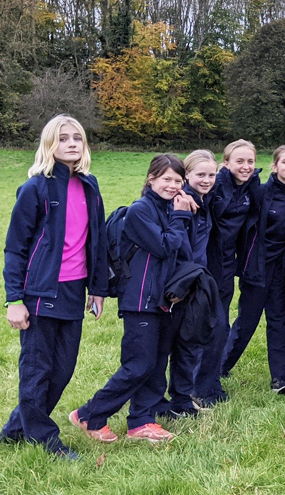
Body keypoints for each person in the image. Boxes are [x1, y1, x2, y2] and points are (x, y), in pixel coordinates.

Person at [2, 116, 107, 460]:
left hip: (74, 293)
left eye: (77, 137)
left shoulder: (90, 185)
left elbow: (97, 241)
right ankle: (46, 439)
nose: (72, 143)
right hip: (40, 293)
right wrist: (14, 299)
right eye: (63, 138)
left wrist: (98, 289)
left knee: (62, 370)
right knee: (37, 371)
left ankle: (15, 431)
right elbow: (15, 248)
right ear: (50, 144)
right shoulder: (35, 188)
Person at [71, 155, 192, 444]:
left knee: (156, 363)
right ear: (151, 179)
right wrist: (181, 217)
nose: (172, 185)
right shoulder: (141, 210)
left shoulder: (170, 208)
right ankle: (89, 414)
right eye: (166, 179)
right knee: (139, 364)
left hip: (163, 299)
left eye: (178, 180)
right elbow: (164, 246)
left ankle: (141, 421)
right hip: (140, 300)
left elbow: (184, 252)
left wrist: (181, 214)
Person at [221, 146, 285, 392]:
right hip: (257, 267)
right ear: (274, 166)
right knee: (247, 322)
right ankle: (219, 366)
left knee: (278, 320)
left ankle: (280, 378)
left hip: (283, 268)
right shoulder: (260, 192)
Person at [194, 140, 261, 408]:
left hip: (227, 265)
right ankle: (198, 389)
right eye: (239, 161)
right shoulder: (215, 184)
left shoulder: (251, 185)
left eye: (250, 161)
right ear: (226, 163)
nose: (245, 166)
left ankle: (211, 383)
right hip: (207, 263)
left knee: (219, 328)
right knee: (213, 326)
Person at [157, 149, 216, 419]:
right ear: (187, 175)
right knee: (171, 345)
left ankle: (182, 399)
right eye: (200, 174)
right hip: (179, 284)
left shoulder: (202, 201)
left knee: (190, 344)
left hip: (196, 282)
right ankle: (159, 402)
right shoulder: (182, 203)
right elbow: (178, 246)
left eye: (211, 175)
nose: (206, 180)